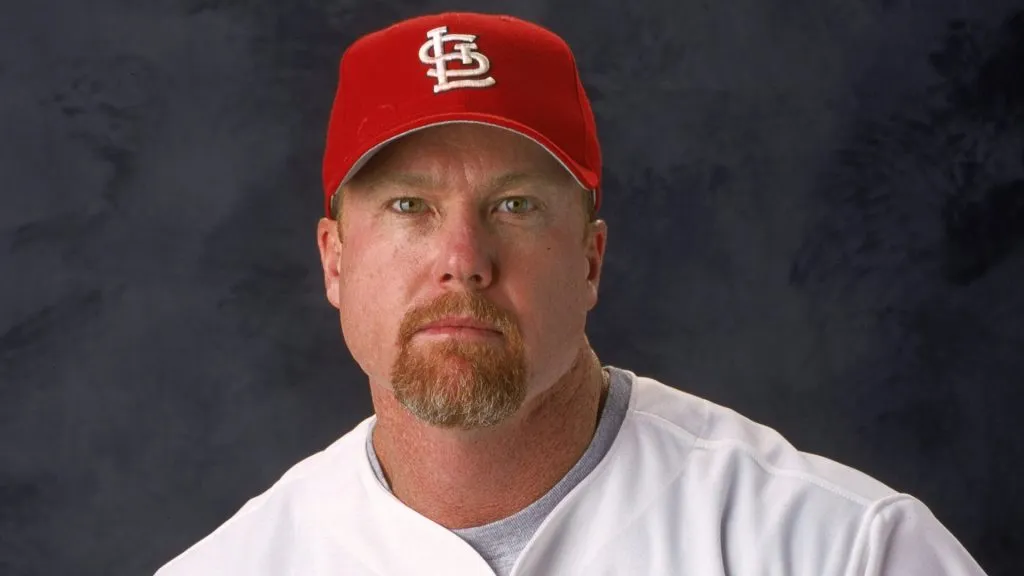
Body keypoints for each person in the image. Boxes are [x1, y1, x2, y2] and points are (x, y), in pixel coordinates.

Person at [155, 11, 989, 576]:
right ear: (335, 261)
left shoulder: (835, 550)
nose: (463, 259)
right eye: (410, 206)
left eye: (514, 206)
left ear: (590, 259)